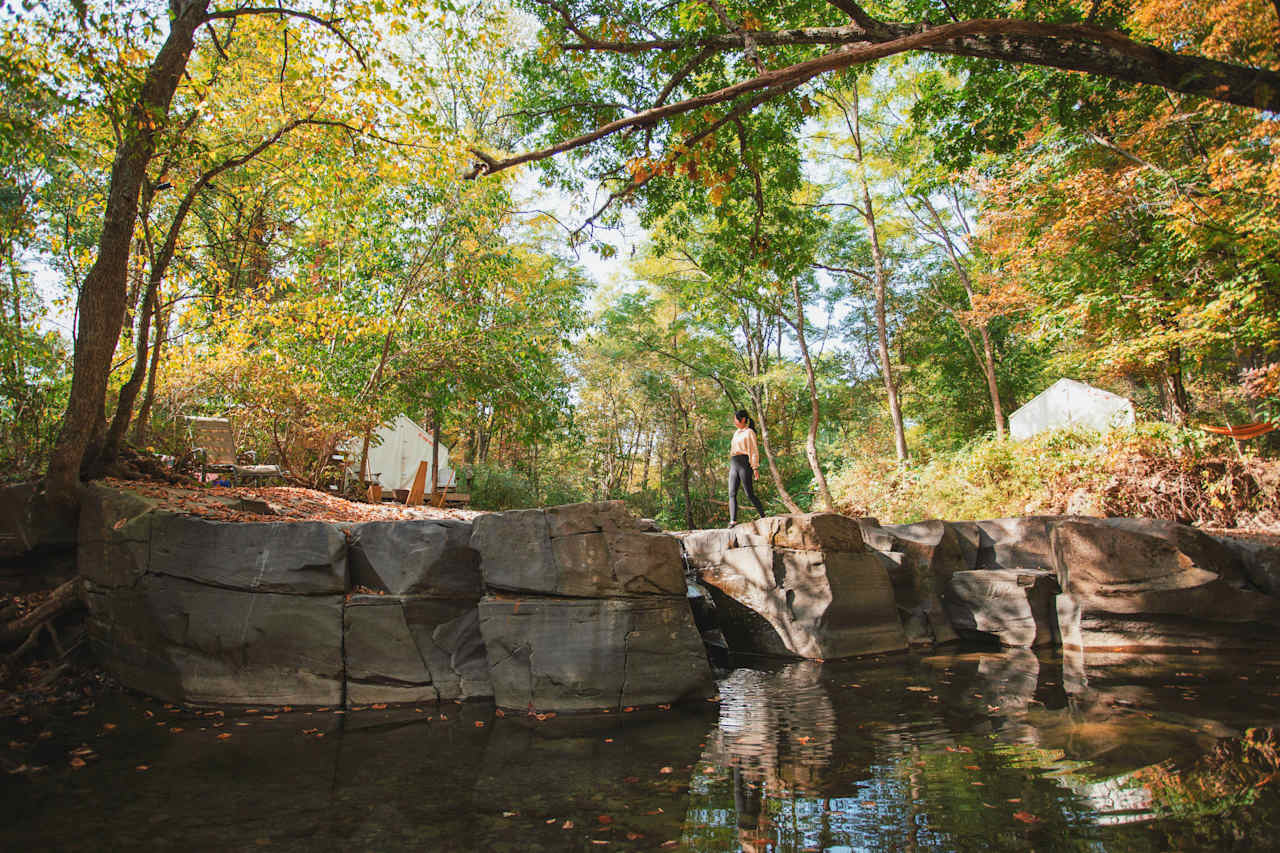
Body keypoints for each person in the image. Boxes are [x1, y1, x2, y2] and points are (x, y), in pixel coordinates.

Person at [728, 409, 766, 526]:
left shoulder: (749, 432)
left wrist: (755, 467)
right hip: (734, 463)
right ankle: (733, 520)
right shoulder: (736, 433)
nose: (734, 422)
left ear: (743, 419)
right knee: (731, 492)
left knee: (749, 493)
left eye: (736, 419)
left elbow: (753, 450)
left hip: (745, 463)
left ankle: (763, 516)